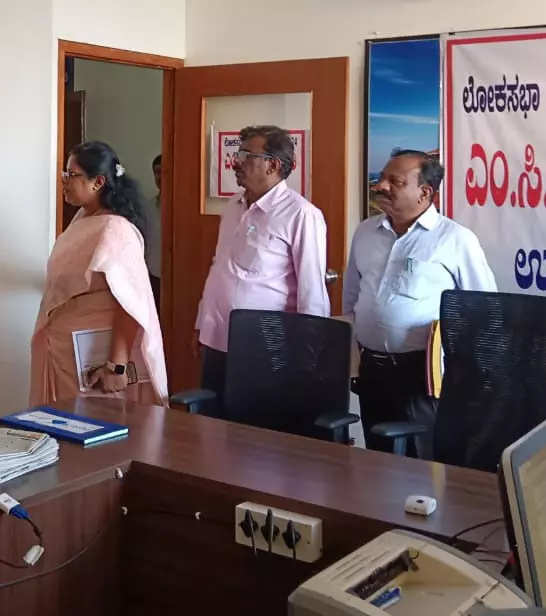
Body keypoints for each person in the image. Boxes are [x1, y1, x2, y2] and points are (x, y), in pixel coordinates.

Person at [345, 150, 496, 459]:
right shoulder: (365, 232)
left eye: (395, 181)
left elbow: (484, 311)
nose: (381, 186)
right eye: (382, 178)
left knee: (421, 466)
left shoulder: (455, 239)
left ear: (425, 193)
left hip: (422, 377)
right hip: (372, 370)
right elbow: (352, 297)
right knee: (378, 459)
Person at [194, 125, 329, 418]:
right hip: (217, 339)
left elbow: (312, 293)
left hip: (264, 347)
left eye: (245, 155)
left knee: (253, 436)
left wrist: (307, 359)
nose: (235, 162)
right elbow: (220, 267)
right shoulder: (233, 206)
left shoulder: (301, 214)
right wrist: (202, 323)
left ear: (273, 165)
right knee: (212, 428)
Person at [31, 141, 168, 406]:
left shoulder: (115, 230)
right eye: (65, 174)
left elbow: (130, 304)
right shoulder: (83, 220)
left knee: (94, 425)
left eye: (72, 174)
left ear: (98, 182)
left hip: (95, 361)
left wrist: (116, 366)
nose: (64, 181)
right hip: (64, 354)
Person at [144, 154, 163, 308]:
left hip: (180, 278)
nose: (161, 177)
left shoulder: (185, 208)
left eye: (164, 172)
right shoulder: (146, 208)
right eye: (157, 172)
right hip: (152, 276)